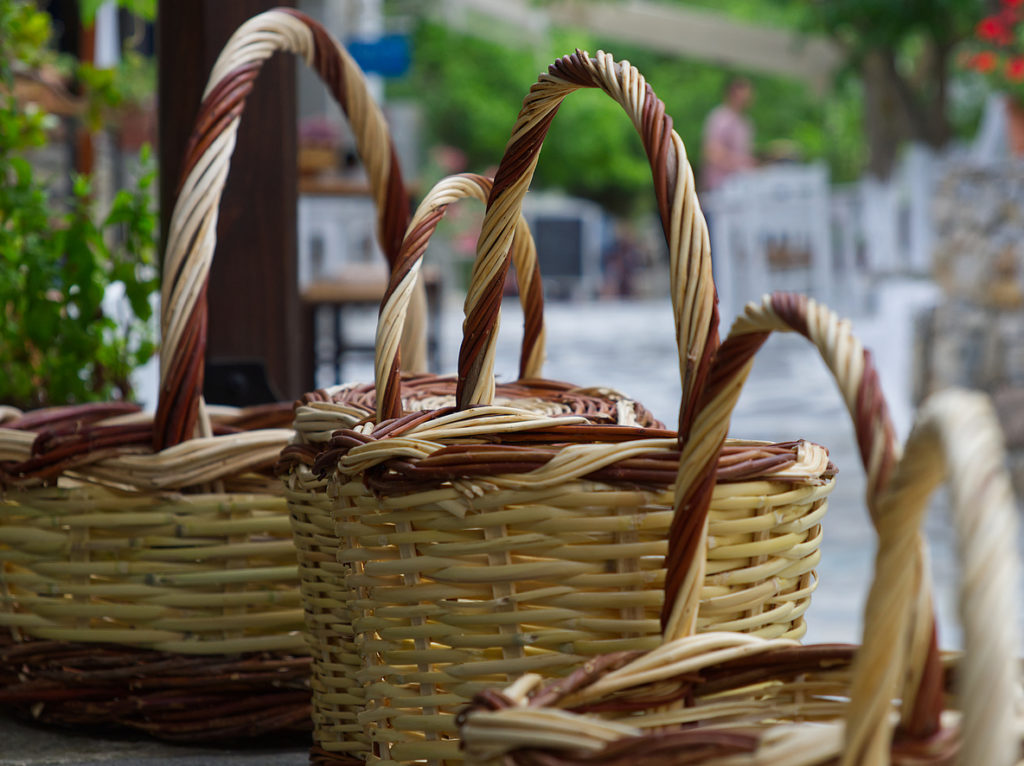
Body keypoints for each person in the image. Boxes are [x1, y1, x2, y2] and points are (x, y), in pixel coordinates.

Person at [701, 76, 755, 193]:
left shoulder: (745, 122)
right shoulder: (720, 119)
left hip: (740, 186)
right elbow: (711, 153)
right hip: (720, 188)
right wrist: (740, 164)